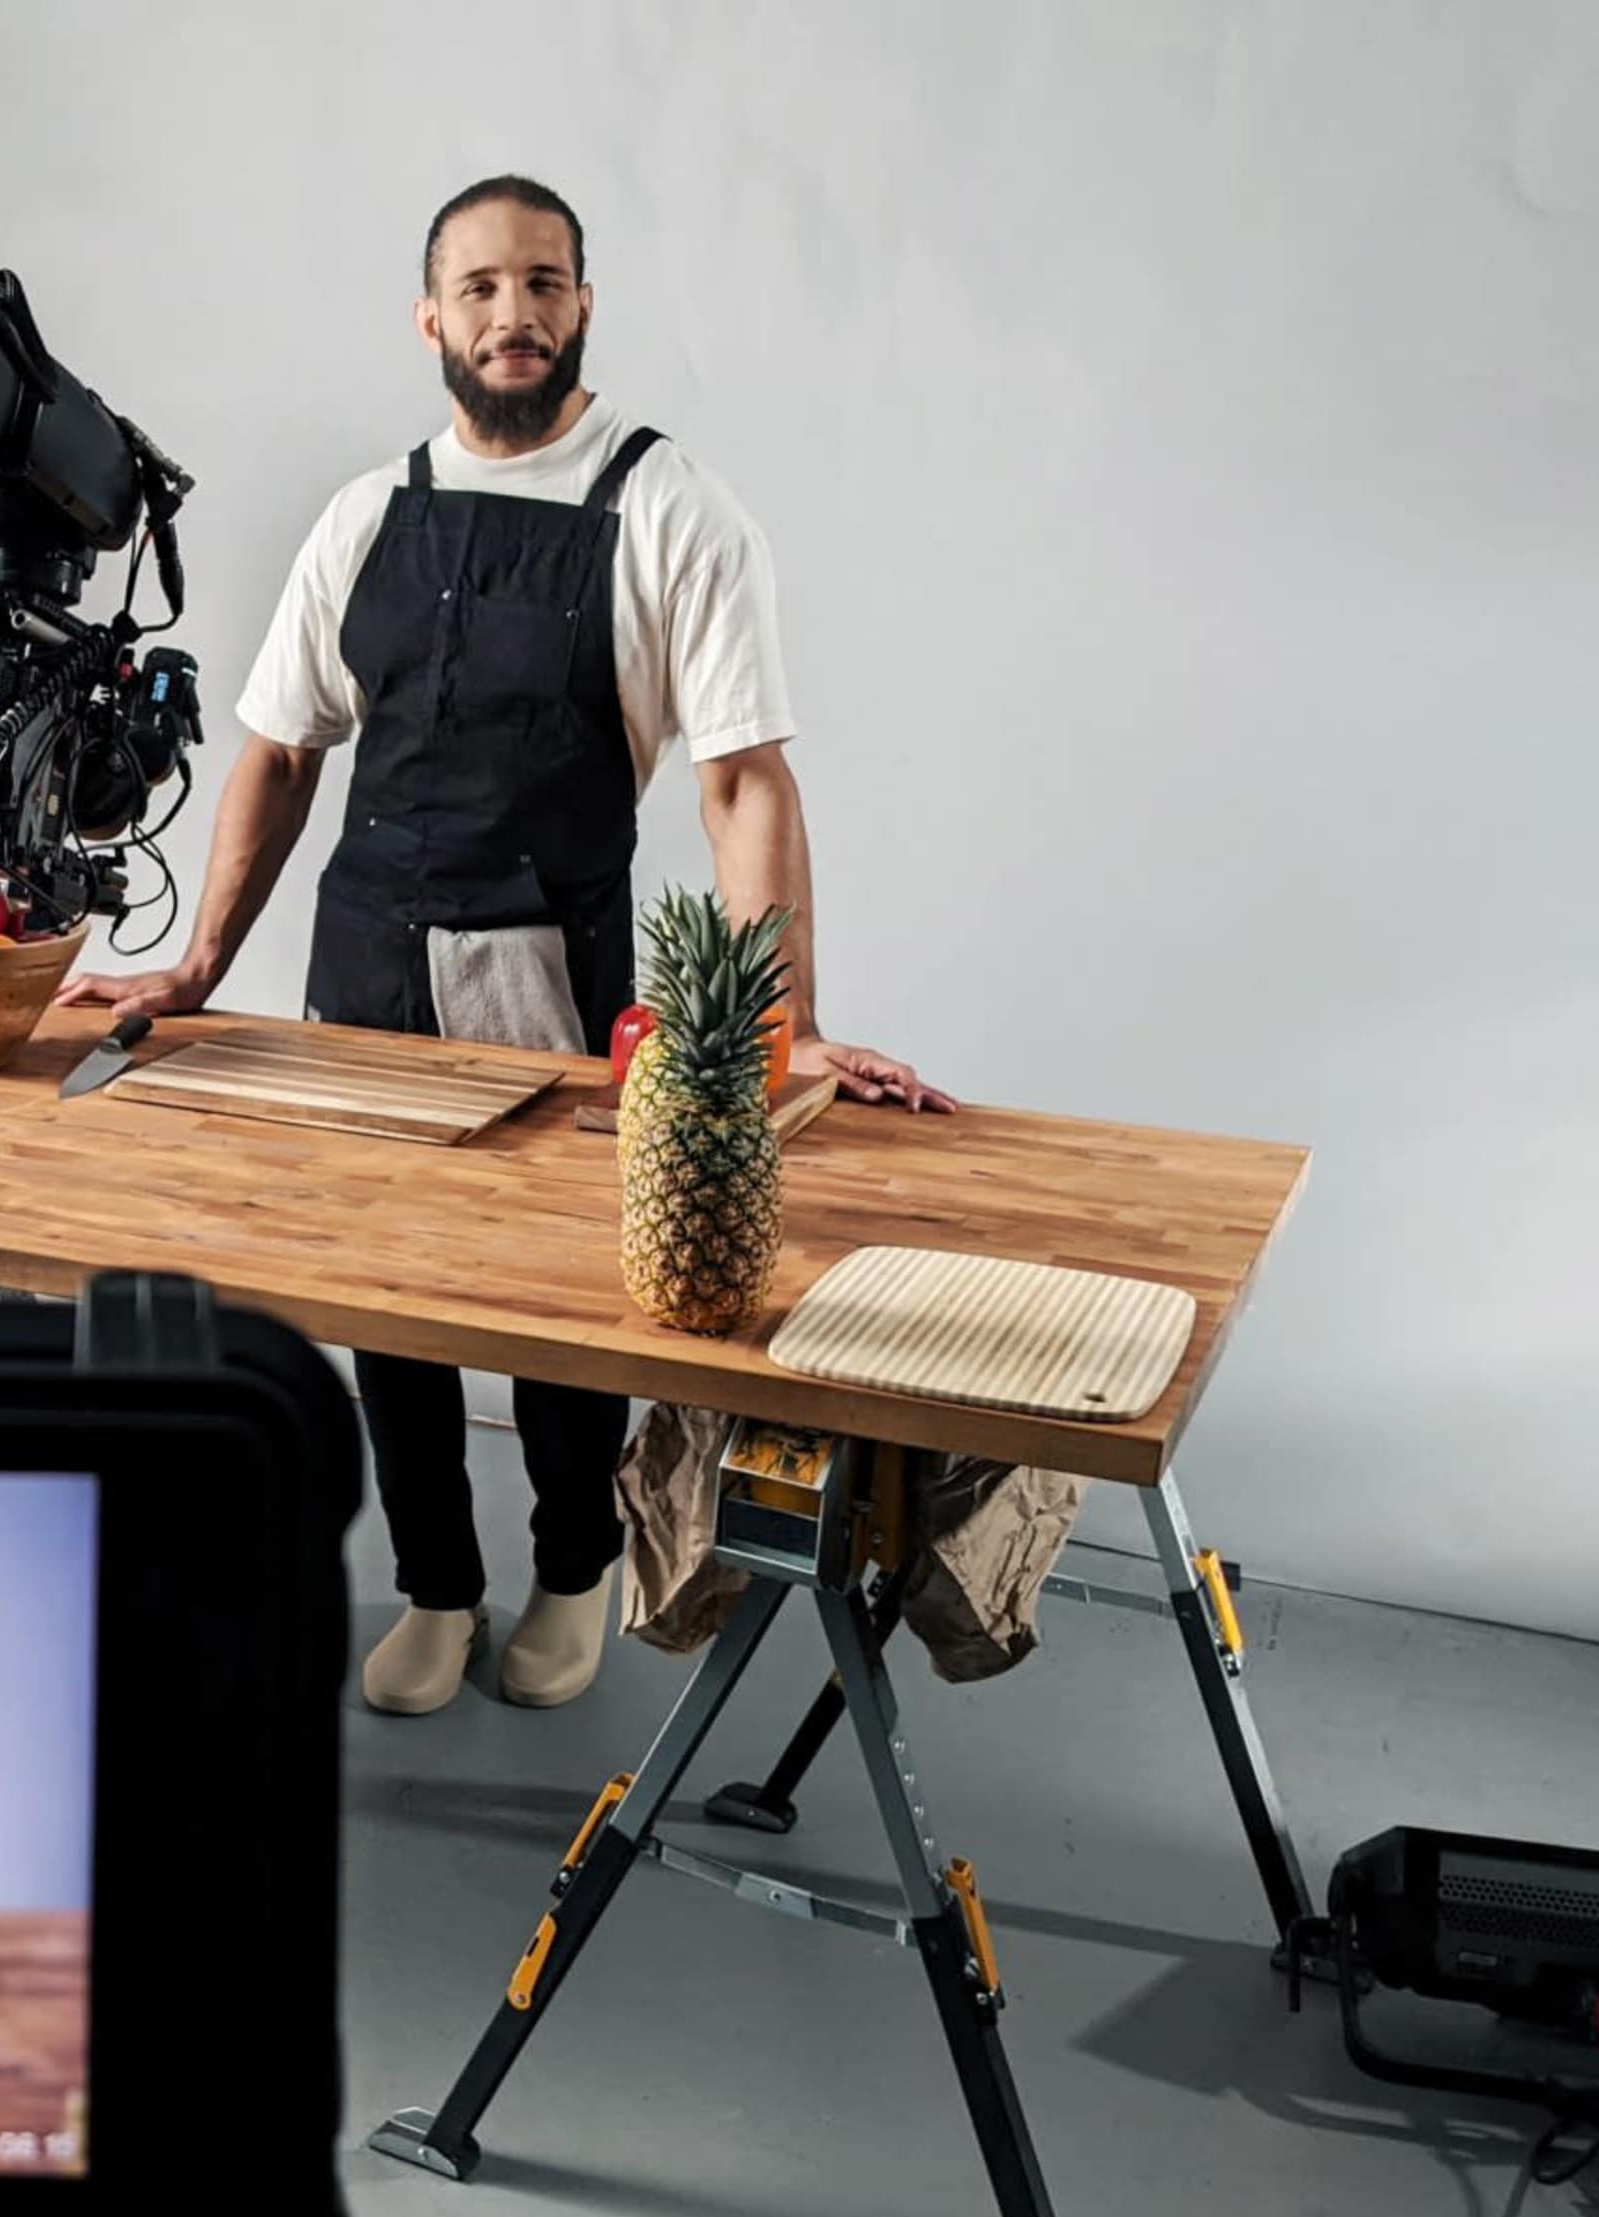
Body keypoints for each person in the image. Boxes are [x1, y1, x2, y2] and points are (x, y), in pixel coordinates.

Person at [68, 174, 952, 1718]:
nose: (514, 313)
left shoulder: (671, 509)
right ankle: (433, 1583)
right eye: (480, 287)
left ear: (584, 304)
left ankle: (566, 1566)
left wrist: (783, 1023)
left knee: (560, 1303)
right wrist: (195, 966)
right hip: (367, 970)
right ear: (431, 318)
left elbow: (746, 779)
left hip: (550, 963)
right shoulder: (368, 515)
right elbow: (279, 752)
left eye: (544, 283)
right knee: (381, 1300)